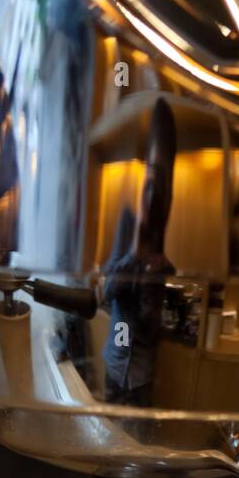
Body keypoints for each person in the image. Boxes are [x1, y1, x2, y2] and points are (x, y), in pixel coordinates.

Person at [102, 98, 177, 406]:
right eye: (147, 187)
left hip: (142, 374)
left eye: (158, 189)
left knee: (138, 441)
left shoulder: (166, 246)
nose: (150, 198)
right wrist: (134, 258)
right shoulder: (127, 225)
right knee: (106, 436)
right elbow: (107, 292)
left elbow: (151, 327)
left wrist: (153, 279)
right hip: (115, 366)